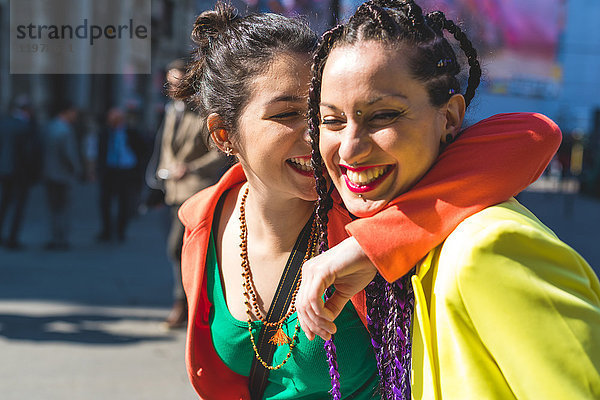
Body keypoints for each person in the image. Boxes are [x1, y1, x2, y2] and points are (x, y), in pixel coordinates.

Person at [171, 3, 560, 399]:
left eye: (320, 115)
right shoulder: (205, 220)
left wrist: (370, 244)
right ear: (223, 134)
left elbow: (534, 135)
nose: (319, 138)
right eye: (287, 113)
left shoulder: (369, 202)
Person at [298, 1, 600, 398]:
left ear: (451, 118)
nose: (350, 150)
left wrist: (373, 244)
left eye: (383, 116)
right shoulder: (397, 248)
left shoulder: (489, 248)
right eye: (333, 121)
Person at [149, 59, 229, 328]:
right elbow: (165, 148)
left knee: (179, 247)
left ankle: (186, 304)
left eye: (178, 82)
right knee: (176, 250)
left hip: (196, 191)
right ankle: (188, 303)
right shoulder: (172, 110)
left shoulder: (203, 112)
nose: (172, 88)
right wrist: (163, 171)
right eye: (169, 83)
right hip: (172, 191)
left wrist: (190, 167)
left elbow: (219, 151)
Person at [96, 108, 147, 242]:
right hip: (110, 171)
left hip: (127, 171)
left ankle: (120, 231)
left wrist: (139, 168)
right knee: (105, 202)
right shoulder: (105, 133)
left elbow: (143, 149)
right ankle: (106, 230)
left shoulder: (131, 132)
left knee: (124, 202)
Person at [41, 100, 82, 250]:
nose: (75, 116)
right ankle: (61, 239)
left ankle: (53, 237)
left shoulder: (49, 127)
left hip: (49, 174)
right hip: (63, 175)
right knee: (63, 208)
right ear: (66, 112)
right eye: (74, 112)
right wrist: (76, 169)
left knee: (53, 208)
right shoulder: (65, 130)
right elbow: (69, 155)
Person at [0, 96, 39, 249]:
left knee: (4, 203)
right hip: (20, 172)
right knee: (19, 206)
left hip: (4, 170)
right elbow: (30, 153)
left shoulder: (4, 123)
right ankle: (13, 238)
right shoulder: (26, 127)